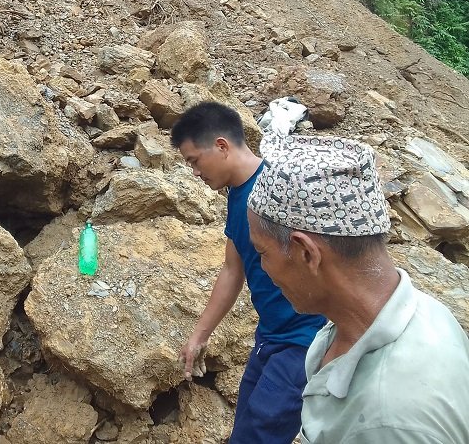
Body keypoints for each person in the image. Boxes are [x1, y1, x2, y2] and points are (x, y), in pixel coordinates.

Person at [247, 133, 469, 443]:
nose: (262, 269)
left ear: (306, 253)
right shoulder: (428, 313)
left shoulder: (389, 422)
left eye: (262, 253)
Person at [170, 102, 326, 443]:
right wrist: (199, 334)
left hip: (305, 341)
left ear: (222, 146)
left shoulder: (277, 189)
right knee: (245, 427)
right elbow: (232, 268)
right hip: (269, 335)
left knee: (260, 433)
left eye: (194, 161)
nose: (194, 172)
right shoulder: (238, 194)